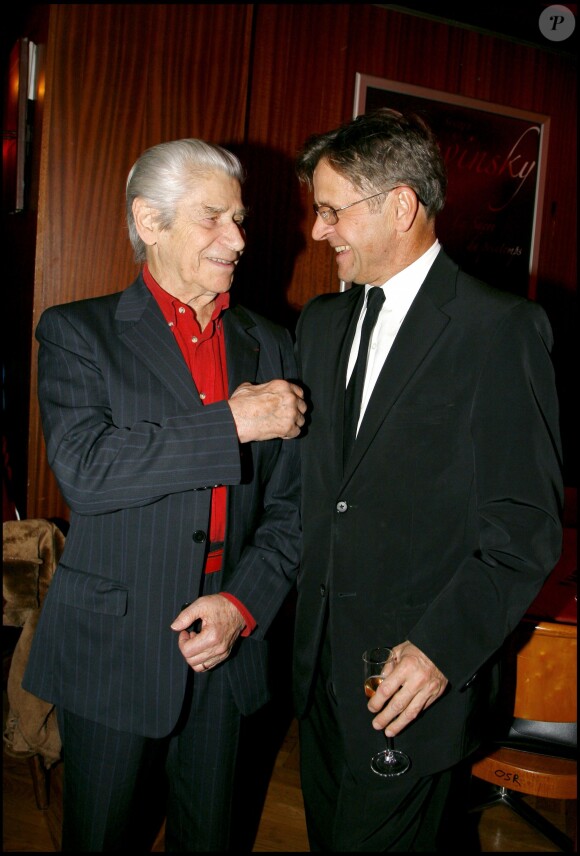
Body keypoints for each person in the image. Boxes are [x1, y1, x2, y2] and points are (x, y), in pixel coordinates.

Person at [22, 138, 306, 852]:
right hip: (113, 648)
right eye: (214, 218)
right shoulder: (78, 333)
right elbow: (87, 471)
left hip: (228, 650)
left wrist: (241, 603)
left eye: (239, 219)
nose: (237, 239)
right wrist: (233, 421)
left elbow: (293, 507)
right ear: (150, 222)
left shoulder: (272, 345)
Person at [292, 108, 563, 851]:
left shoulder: (500, 330)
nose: (319, 233)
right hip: (319, 674)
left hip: (414, 680)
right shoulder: (318, 324)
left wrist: (442, 648)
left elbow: (524, 528)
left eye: (331, 211)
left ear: (401, 205)